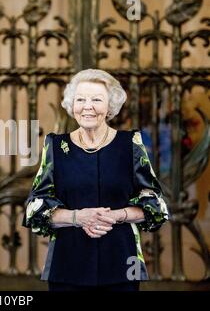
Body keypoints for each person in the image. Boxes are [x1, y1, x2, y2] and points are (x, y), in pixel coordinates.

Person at [23, 69, 169, 291]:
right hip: (67, 265)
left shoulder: (130, 144)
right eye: (80, 99)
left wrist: (118, 215)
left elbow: (156, 205)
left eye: (96, 99)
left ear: (110, 107)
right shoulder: (55, 146)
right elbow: (35, 208)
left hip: (121, 262)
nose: (87, 106)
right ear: (72, 106)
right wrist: (78, 217)